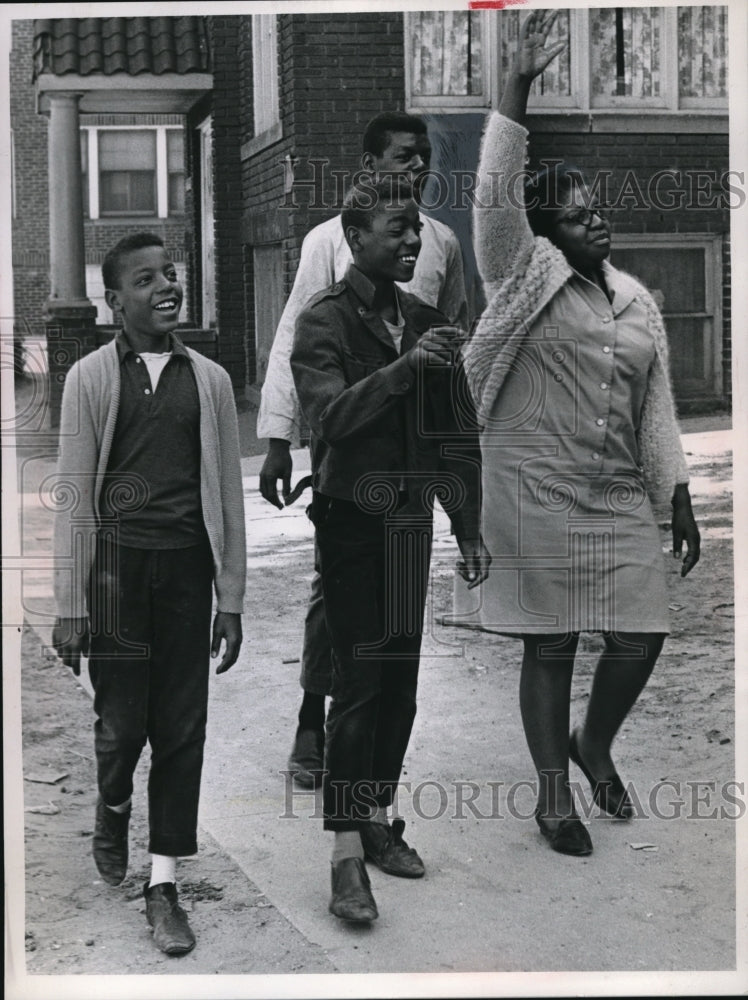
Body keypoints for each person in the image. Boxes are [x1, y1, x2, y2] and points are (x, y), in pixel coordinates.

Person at [458, 12, 701, 856]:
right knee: (552, 642)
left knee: (641, 634)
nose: (595, 224)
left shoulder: (635, 300)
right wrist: (516, 88)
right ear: (542, 234)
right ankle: (554, 795)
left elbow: (654, 408)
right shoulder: (520, 276)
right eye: (574, 216)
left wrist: (676, 491)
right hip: (531, 490)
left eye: (596, 213)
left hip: (614, 491)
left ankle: (593, 743)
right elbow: (495, 194)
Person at [290, 176, 489, 922]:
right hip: (348, 524)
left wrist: (467, 526)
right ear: (356, 238)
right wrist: (405, 367)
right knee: (361, 681)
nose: (413, 241)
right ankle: (345, 854)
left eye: (417, 230)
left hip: (410, 525)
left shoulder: (429, 319)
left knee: (401, 681)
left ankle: (375, 815)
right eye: (398, 229)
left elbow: (456, 437)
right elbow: (330, 420)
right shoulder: (325, 324)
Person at [257, 111, 469, 789]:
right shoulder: (330, 240)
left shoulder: (440, 243)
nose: (417, 168)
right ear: (372, 163)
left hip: (408, 463)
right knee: (339, 601)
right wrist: (278, 441)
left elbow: (453, 333)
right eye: (404, 157)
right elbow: (301, 336)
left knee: (397, 639)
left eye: (424, 158)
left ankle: (373, 792)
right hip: (349, 453)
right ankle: (310, 721)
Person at [51, 232, 246, 954]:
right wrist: (71, 602)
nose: (167, 286)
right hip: (116, 574)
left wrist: (231, 598)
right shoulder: (93, 379)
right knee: (121, 727)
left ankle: (163, 885)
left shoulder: (214, 382)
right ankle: (111, 803)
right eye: (145, 279)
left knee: (182, 730)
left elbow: (227, 495)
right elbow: (75, 497)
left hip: (187, 573)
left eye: (171, 274)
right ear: (114, 300)